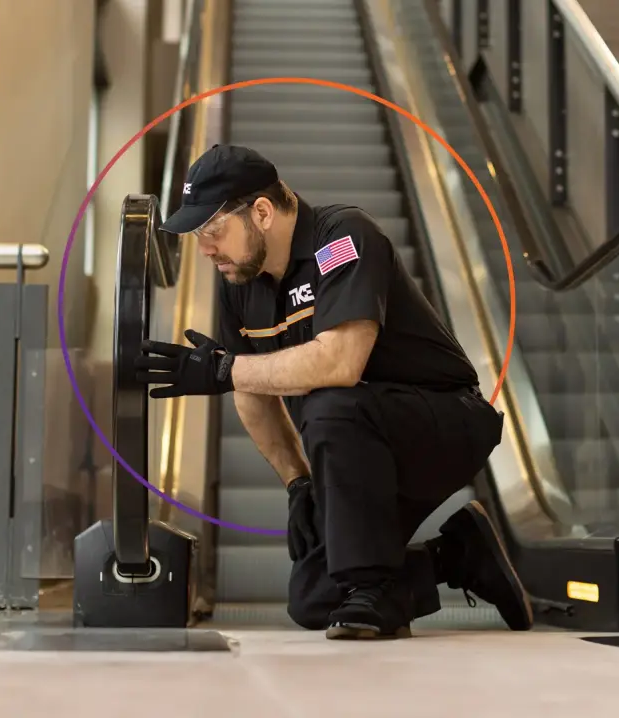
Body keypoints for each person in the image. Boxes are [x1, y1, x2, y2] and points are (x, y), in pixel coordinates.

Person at [134, 144, 533, 640]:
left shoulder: (342, 238)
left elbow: (341, 362)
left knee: (329, 401)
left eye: (213, 231)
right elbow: (251, 392)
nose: (206, 249)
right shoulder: (240, 282)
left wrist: (223, 371)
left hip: (444, 423)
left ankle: (371, 594)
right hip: (350, 447)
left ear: (261, 212)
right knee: (313, 597)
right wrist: (297, 482)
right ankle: (457, 554)